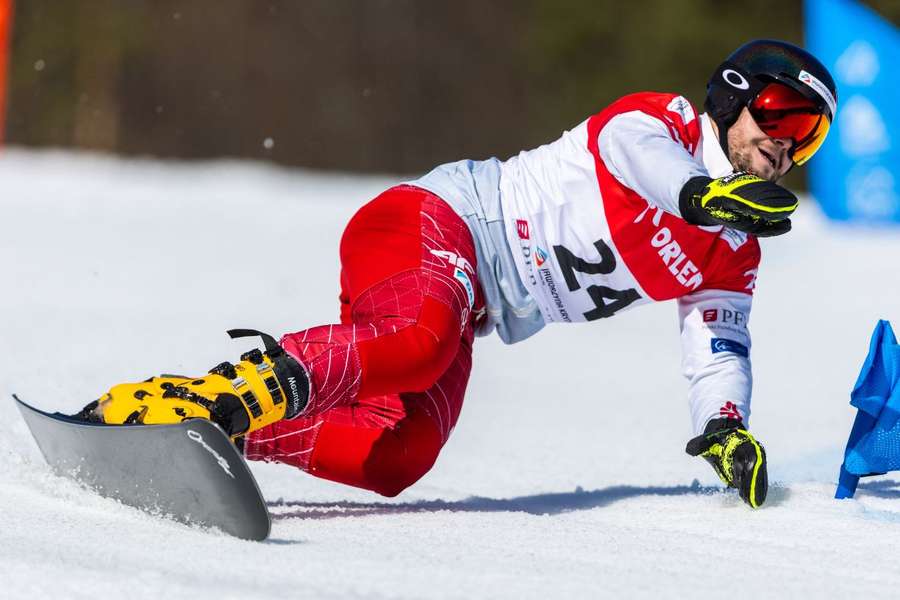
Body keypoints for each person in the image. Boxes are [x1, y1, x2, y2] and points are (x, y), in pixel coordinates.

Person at [83, 39, 837, 509]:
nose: (786, 145)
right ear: (733, 98)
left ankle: (191, 420)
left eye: (809, 134)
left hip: (468, 307)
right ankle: (225, 393)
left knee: (399, 458)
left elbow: (719, 344)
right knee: (420, 339)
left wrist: (724, 427)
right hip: (434, 225)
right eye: (779, 115)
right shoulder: (663, 124)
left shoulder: (734, 248)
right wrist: (700, 197)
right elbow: (638, 157)